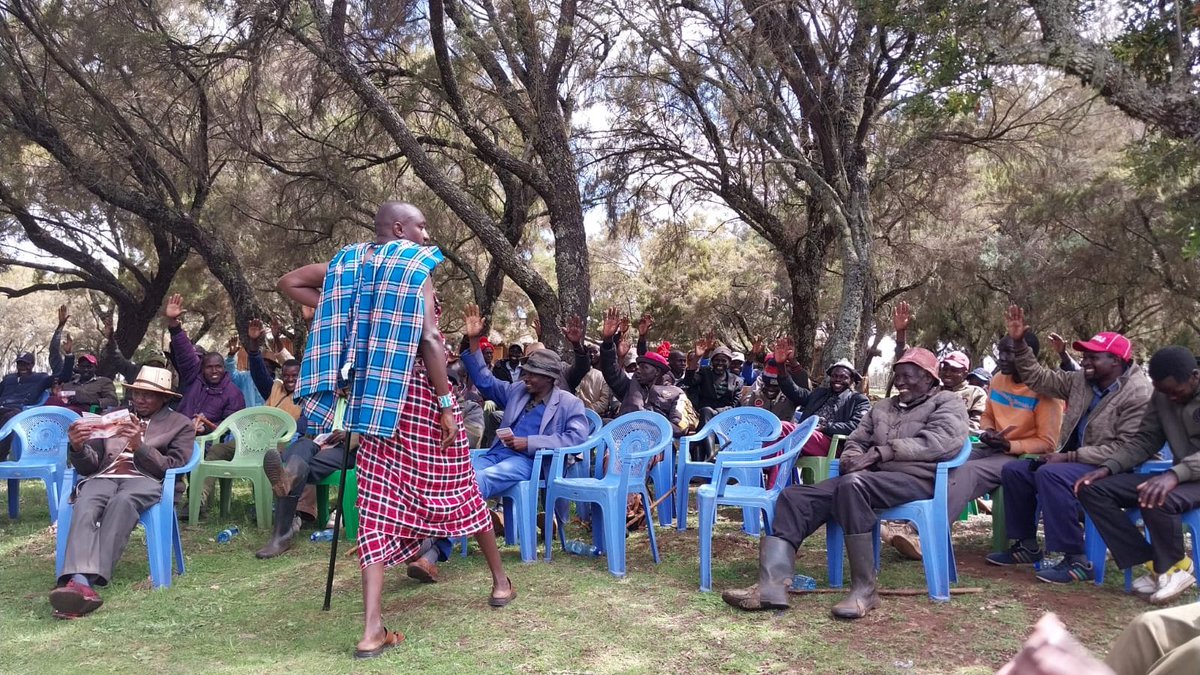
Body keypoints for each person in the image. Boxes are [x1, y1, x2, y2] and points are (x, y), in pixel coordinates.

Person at [280, 200, 512, 659]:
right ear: (401, 228)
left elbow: (289, 283)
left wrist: (348, 315)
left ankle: (371, 630)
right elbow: (427, 339)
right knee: (457, 487)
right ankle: (501, 582)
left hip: (372, 406)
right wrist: (448, 406)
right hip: (418, 404)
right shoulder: (413, 267)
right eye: (422, 226)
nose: (427, 236)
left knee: (377, 503)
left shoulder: (348, 264)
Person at [720, 347, 968, 620]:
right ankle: (771, 587)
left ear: (929, 378)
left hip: (916, 479)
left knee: (852, 485)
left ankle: (865, 590)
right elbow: (857, 439)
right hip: (869, 478)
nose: (900, 382)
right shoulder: (883, 407)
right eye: (897, 376)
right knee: (794, 497)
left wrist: (880, 453)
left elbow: (940, 442)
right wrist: (851, 458)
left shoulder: (948, 402)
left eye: (908, 376)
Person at [988, 306, 1153, 585]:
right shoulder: (1082, 381)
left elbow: (1126, 449)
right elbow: (1039, 378)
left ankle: (1076, 559)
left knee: (1051, 474)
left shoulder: (1137, 393)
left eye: (1092, 356)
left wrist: (1067, 458)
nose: (1084, 360)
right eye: (1084, 355)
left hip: (1116, 468)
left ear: (1116, 361)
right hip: (1077, 460)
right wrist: (1019, 344)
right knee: (1015, 471)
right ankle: (1027, 545)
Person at [888, 326, 1063, 561]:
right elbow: (988, 415)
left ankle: (923, 535)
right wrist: (989, 430)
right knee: (943, 461)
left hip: (1019, 457)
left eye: (1009, 352)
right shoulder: (999, 380)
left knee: (967, 471)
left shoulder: (1046, 390)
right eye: (1000, 351)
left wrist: (1010, 446)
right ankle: (904, 521)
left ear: (1027, 354)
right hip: (991, 446)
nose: (1001, 357)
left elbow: (1048, 443)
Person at [49, 366, 194, 619]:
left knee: (123, 501)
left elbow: (175, 467)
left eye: (149, 395)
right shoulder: (113, 416)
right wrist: (78, 446)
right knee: (86, 502)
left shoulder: (180, 424)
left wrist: (141, 447)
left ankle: (82, 581)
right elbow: (91, 465)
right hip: (105, 475)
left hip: (146, 480)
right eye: (137, 393)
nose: (140, 399)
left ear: (165, 398)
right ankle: (81, 584)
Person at [1076, 345, 1200, 605]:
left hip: (1189, 477)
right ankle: (1157, 565)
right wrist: (1108, 467)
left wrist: (1174, 475)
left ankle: (1175, 568)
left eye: (1175, 392)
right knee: (1092, 489)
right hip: (1181, 476)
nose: (1171, 398)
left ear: (1194, 376)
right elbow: (1145, 440)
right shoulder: (1163, 396)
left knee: (1157, 495)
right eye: (1164, 392)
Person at [597, 307, 688, 435]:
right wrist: (607, 341)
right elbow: (610, 370)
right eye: (638, 367)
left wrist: (649, 425)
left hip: (656, 444)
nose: (638, 371)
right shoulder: (630, 386)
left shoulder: (676, 394)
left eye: (644, 367)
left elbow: (680, 427)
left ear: (657, 372)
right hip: (623, 440)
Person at [165, 294, 246, 435]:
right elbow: (185, 352)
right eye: (209, 367)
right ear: (202, 368)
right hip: (177, 434)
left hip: (207, 444)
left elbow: (231, 424)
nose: (214, 371)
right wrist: (174, 325)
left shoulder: (233, 393)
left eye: (218, 367)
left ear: (224, 367)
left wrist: (207, 427)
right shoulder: (194, 377)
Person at [783, 354, 871, 458]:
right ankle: (770, 472)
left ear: (851, 380)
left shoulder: (858, 400)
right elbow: (794, 392)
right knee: (779, 445)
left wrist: (826, 428)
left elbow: (856, 426)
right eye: (834, 376)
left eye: (843, 377)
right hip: (805, 436)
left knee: (784, 428)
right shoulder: (819, 394)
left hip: (833, 443)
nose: (838, 379)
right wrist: (780, 366)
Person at [0, 352, 57, 461]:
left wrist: (68, 356)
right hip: (2, 407)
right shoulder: (8, 379)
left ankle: (1, 457)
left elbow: (63, 375)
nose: (23, 367)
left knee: (9, 419)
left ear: (32, 364)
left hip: (20, 410)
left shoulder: (41, 378)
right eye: (19, 364)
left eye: (27, 364)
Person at [938, 351, 987, 432]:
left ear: (965, 374)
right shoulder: (933, 391)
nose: (947, 373)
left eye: (954, 370)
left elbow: (976, 424)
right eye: (945, 369)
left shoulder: (976, 393)